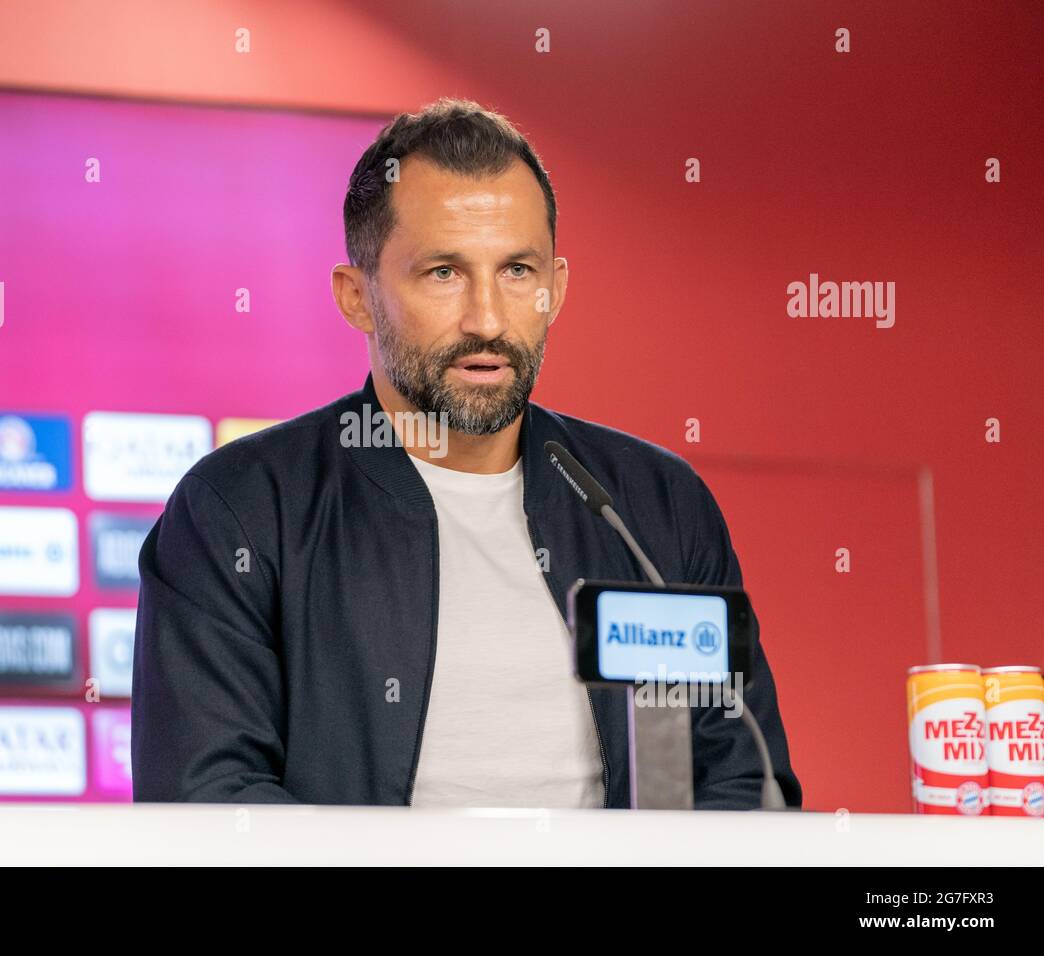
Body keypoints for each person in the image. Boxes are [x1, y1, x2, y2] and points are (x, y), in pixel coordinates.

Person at [132, 97, 801, 809]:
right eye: (443, 272)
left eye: (517, 271)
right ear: (357, 297)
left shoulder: (656, 506)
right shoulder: (239, 510)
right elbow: (208, 804)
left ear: (556, 288)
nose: (486, 319)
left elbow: (743, 780)